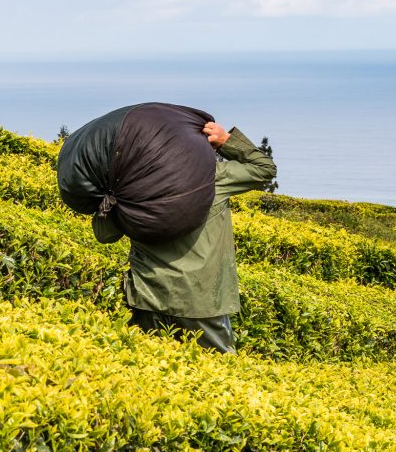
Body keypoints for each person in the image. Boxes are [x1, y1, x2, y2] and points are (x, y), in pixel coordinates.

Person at [91, 122, 277, 353]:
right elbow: (264, 168)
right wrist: (225, 141)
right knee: (220, 375)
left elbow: (105, 235)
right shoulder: (212, 177)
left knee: (148, 370)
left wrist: (107, 198)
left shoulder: (130, 185)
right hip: (201, 301)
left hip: (147, 297)